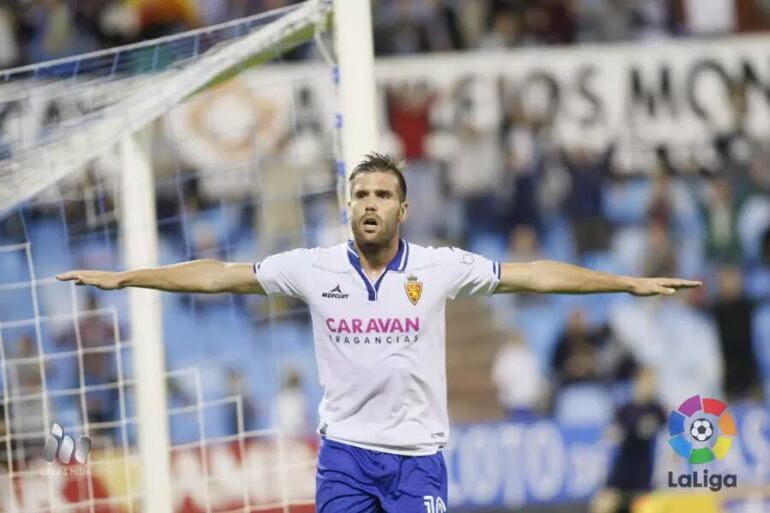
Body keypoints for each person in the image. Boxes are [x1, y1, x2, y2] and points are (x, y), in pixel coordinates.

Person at [57, 152, 700, 513]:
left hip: (418, 463)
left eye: (381, 194)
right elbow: (218, 277)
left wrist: (627, 282)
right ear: (348, 205)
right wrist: (128, 277)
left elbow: (534, 275)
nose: (369, 203)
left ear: (403, 208)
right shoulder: (311, 269)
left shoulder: (441, 267)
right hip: (344, 459)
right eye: (359, 193)